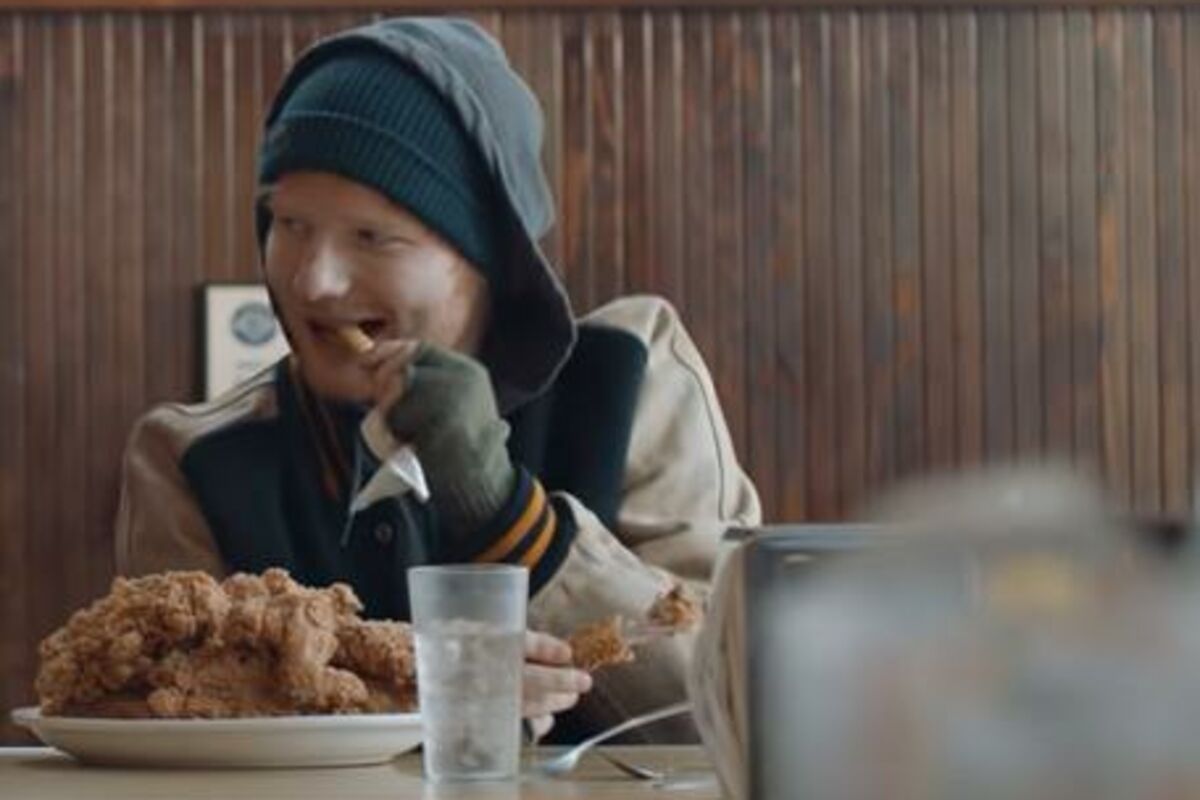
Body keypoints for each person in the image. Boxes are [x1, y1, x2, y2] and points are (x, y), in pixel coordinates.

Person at [114, 16, 760, 741]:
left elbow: (741, 710)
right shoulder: (194, 457)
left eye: (373, 237)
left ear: (493, 258)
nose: (312, 280)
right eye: (289, 224)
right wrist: (402, 693)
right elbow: (161, 712)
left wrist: (509, 518)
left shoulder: (633, 379)